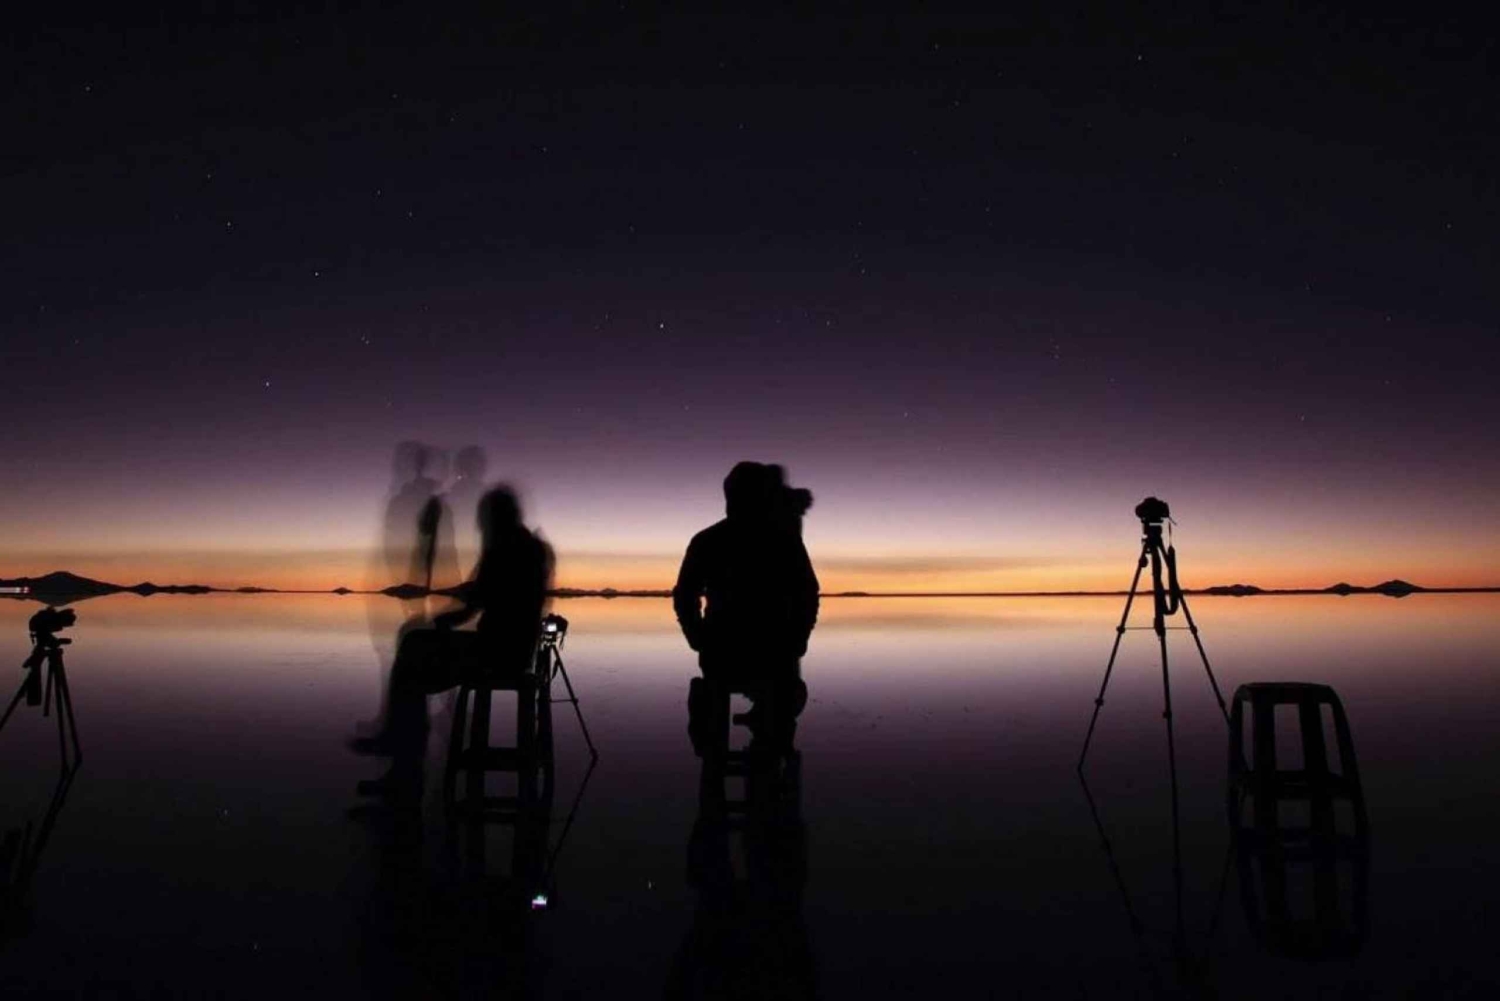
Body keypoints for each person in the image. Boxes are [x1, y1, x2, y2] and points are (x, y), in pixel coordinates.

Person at [353, 485, 554, 801]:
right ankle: (400, 753)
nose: (480, 527)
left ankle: (404, 768)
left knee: (412, 654)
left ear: (493, 519)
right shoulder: (534, 548)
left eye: (483, 521)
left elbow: (472, 606)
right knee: (415, 649)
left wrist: (441, 620)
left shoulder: (504, 549)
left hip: (494, 655)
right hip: (518, 652)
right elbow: (493, 597)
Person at [674, 462, 818, 756]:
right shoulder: (784, 540)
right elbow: (807, 595)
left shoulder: (707, 540)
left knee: (778, 694)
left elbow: (685, 597)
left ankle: (729, 748)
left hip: (733, 654)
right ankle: (765, 750)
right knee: (782, 696)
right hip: (761, 654)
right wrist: (799, 638)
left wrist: (697, 637)